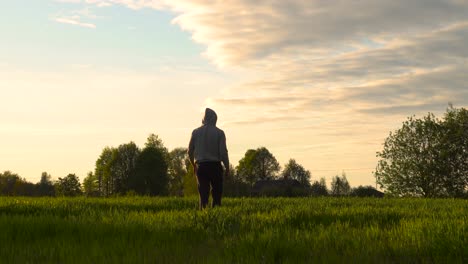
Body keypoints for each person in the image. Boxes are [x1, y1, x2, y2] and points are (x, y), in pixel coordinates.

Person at [188, 108, 229, 209]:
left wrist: (194, 165)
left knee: (203, 196)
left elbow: (189, 151)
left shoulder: (195, 132)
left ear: (203, 119)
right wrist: (227, 168)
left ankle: (204, 219)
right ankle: (216, 218)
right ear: (214, 119)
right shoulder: (220, 133)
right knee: (217, 196)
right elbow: (223, 153)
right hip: (215, 167)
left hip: (201, 167)